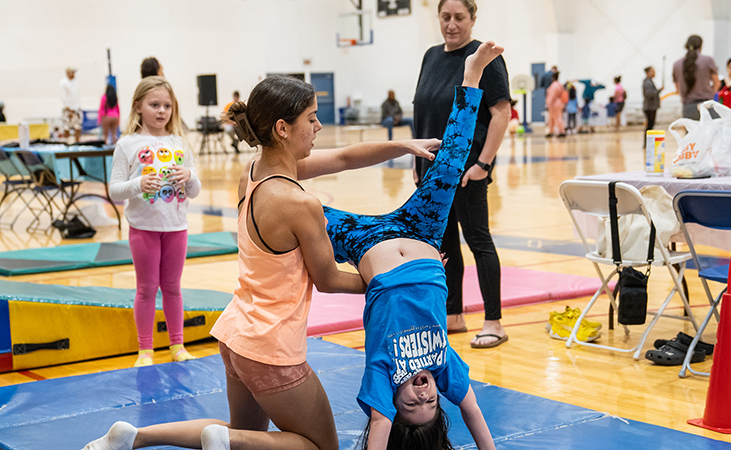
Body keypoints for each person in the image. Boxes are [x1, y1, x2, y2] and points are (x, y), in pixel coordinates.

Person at [83, 74, 440, 450]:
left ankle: (133, 437)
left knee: (242, 433)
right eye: (312, 118)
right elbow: (329, 279)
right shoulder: (300, 204)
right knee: (320, 446)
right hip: (271, 346)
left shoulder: (253, 172)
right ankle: (225, 441)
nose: (319, 126)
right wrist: (397, 280)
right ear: (283, 128)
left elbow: (344, 157)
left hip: (237, 334)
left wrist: (403, 144)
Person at [324, 41, 501, 450]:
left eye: (411, 405)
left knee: (297, 211)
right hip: (422, 233)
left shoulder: (383, 378)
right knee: (452, 162)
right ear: (440, 395)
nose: (421, 395)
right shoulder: (445, 369)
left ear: (392, 404)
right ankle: (471, 74)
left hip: (365, 243)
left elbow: (380, 432)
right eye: (430, 403)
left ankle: (261, 175)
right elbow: (473, 412)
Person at [413, 0, 510, 350]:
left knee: (478, 241)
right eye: (445, 17)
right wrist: (417, 162)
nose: (451, 24)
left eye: (459, 17)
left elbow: (501, 112)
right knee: (445, 244)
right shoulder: (430, 56)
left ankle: (494, 321)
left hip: (468, 170)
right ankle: (453, 315)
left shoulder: (484, 57)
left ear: (472, 19)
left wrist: (483, 163)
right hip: (432, 170)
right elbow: (422, 109)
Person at [107, 77, 200, 368]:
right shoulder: (127, 144)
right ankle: (145, 350)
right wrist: (138, 184)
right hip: (143, 228)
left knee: (172, 287)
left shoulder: (181, 143)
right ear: (138, 106)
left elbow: (195, 190)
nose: (162, 111)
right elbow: (114, 189)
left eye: (167, 106)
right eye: (155, 105)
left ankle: (177, 345)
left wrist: (189, 177)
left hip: (176, 227)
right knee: (146, 289)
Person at [672, 35, 719, 120]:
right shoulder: (708, 60)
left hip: (688, 107)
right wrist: (711, 94)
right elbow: (717, 83)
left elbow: (678, 89)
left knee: (692, 133)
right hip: (706, 105)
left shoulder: (676, 64)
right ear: (701, 46)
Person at [59, 67, 82, 143]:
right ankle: (66, 145)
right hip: (67, 109)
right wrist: (68, 109)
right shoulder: (63, 83)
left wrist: (78, 107)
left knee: (78, 127)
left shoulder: (75, 82)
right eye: (72, 72)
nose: (74, 74)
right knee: (66, 128)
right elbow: (63, 96)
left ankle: (77, 144)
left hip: (76, 109)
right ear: (68, 73)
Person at [642, 66, 662, 147]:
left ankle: (648, 142)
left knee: (650, 125)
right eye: (653, 71)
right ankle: (647, 143)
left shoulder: (649, 82)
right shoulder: (647, 83)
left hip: (651, 107)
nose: (654, 73)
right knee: (650, 125)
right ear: (648, 72)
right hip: (650, 107)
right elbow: (649, 94)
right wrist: (659, 91)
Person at [545, 71, 566, 138]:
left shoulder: (554, 86)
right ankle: (551, 131)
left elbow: (552, 96)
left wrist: (548, 104)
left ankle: (561, 131)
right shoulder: (559, 85)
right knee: (552, 118)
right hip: (559, 102)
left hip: (554, 104)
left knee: (557, 117)